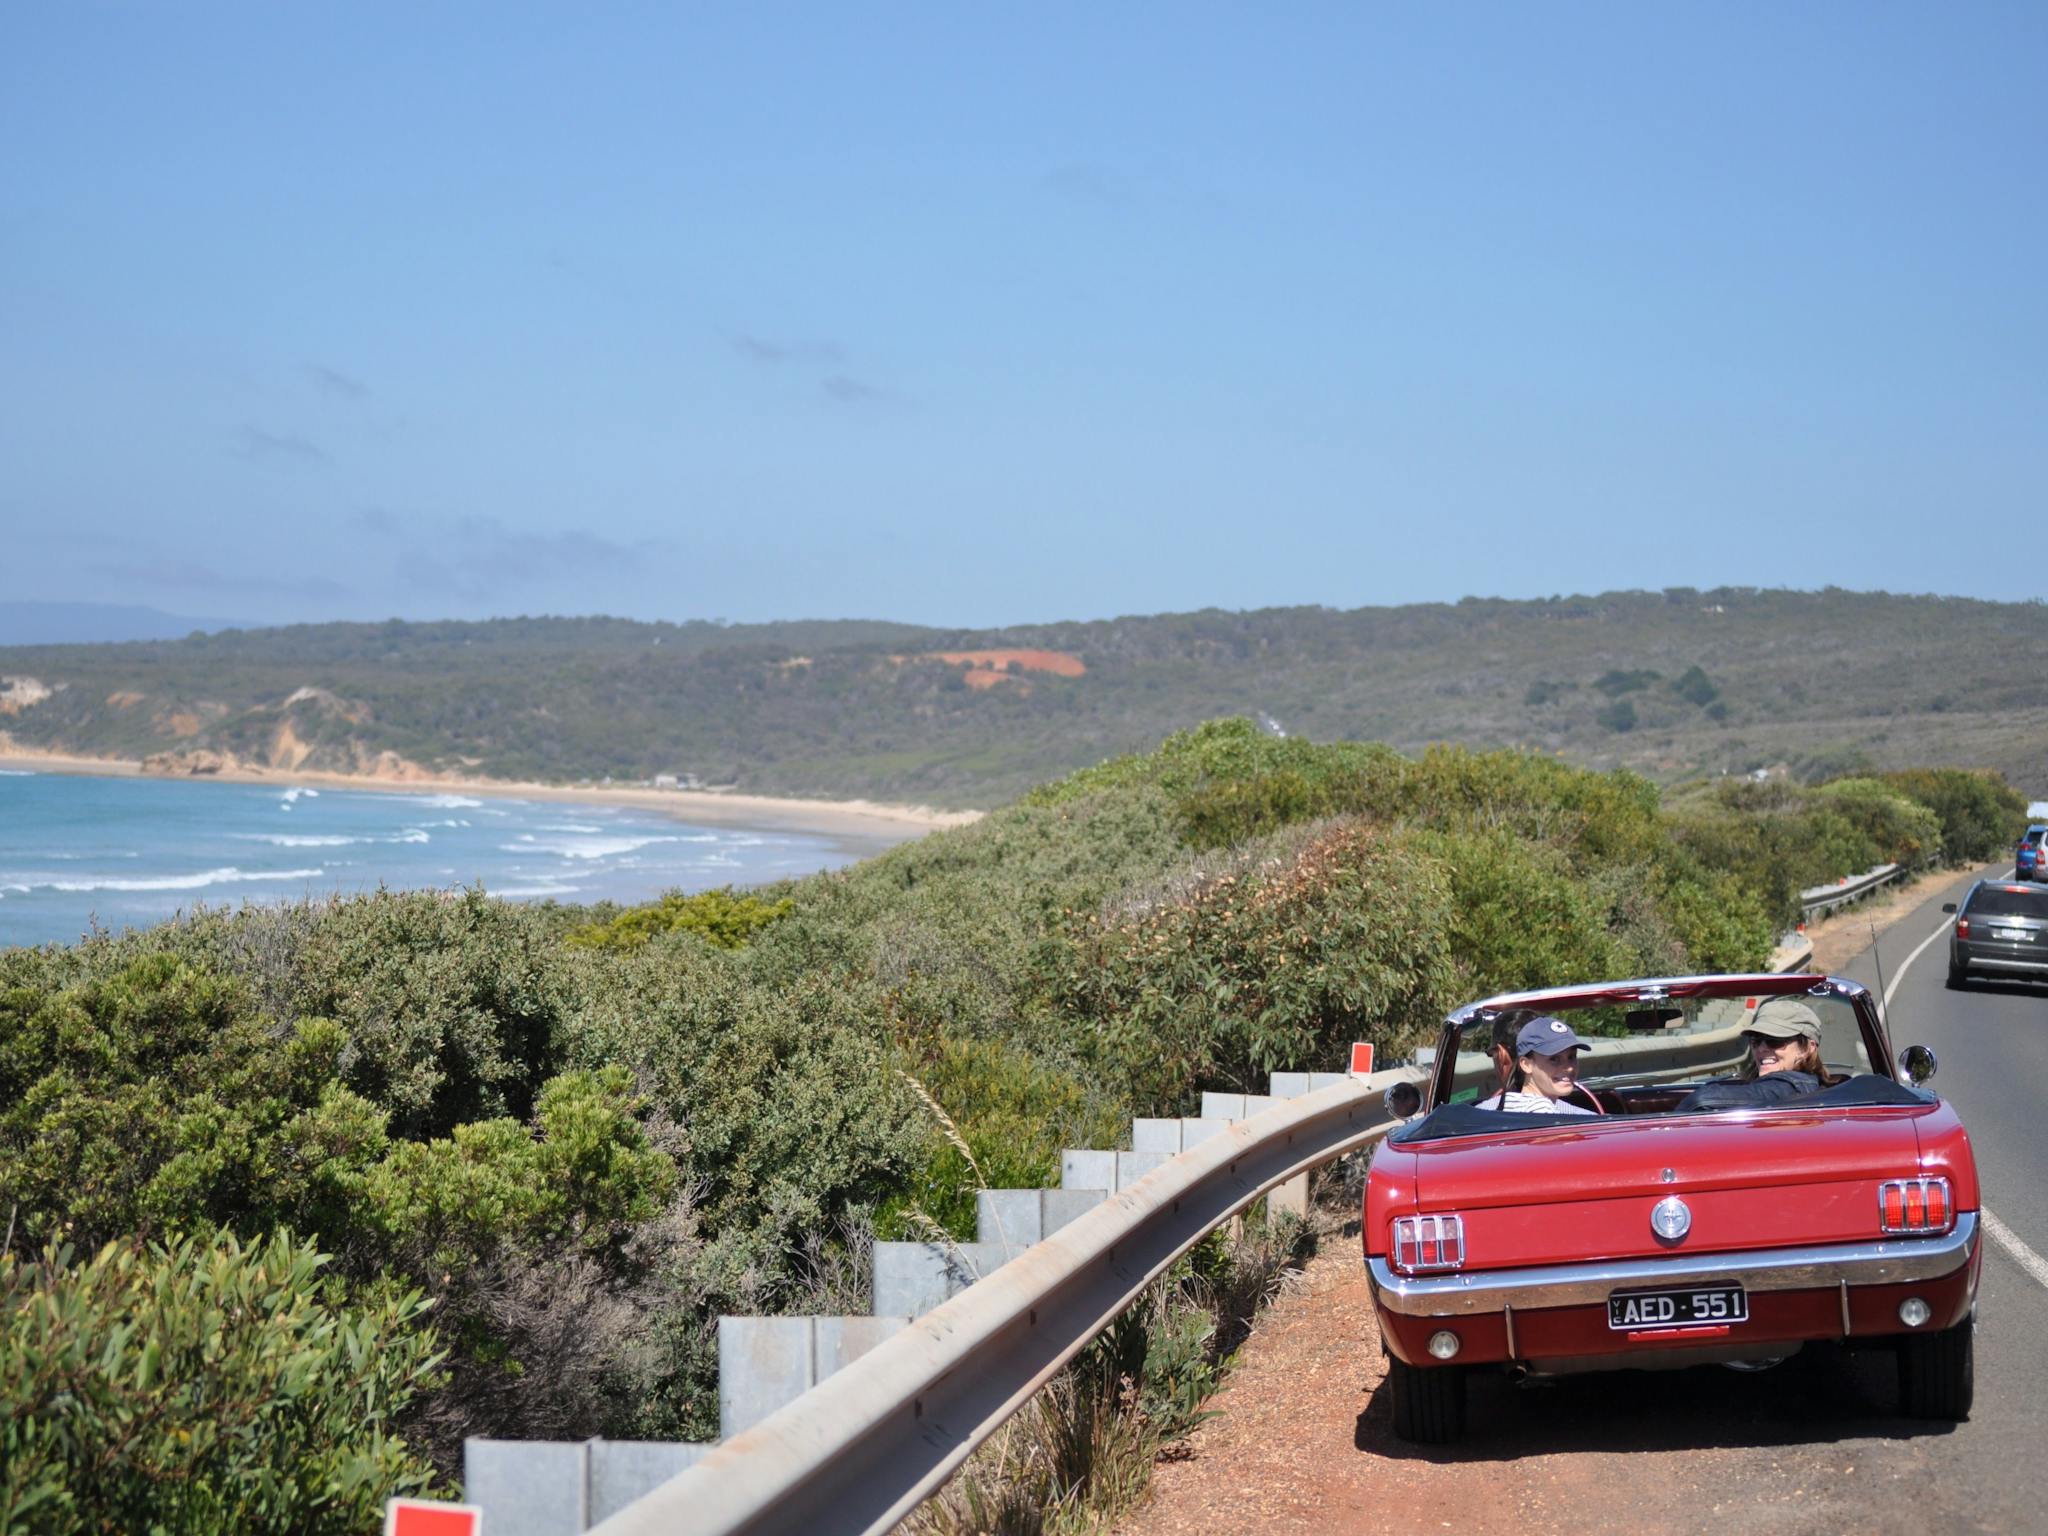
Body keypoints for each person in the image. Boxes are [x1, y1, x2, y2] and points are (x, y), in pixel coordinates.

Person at [1674, 999, 1841, 1112]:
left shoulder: (1790, 1086)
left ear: (1807, 1048)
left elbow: (1702, 1100)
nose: (1761, 1048)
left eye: (1774, 1040)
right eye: (1756, 1040)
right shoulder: (1817, 1087)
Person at [1481, 1017, 1597, 1115]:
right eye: (1554, 1059)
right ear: (1526, 1064)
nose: (1569, 1067)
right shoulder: (1543, 1111)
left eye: (1571, 1057)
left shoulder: (1503, 1106)